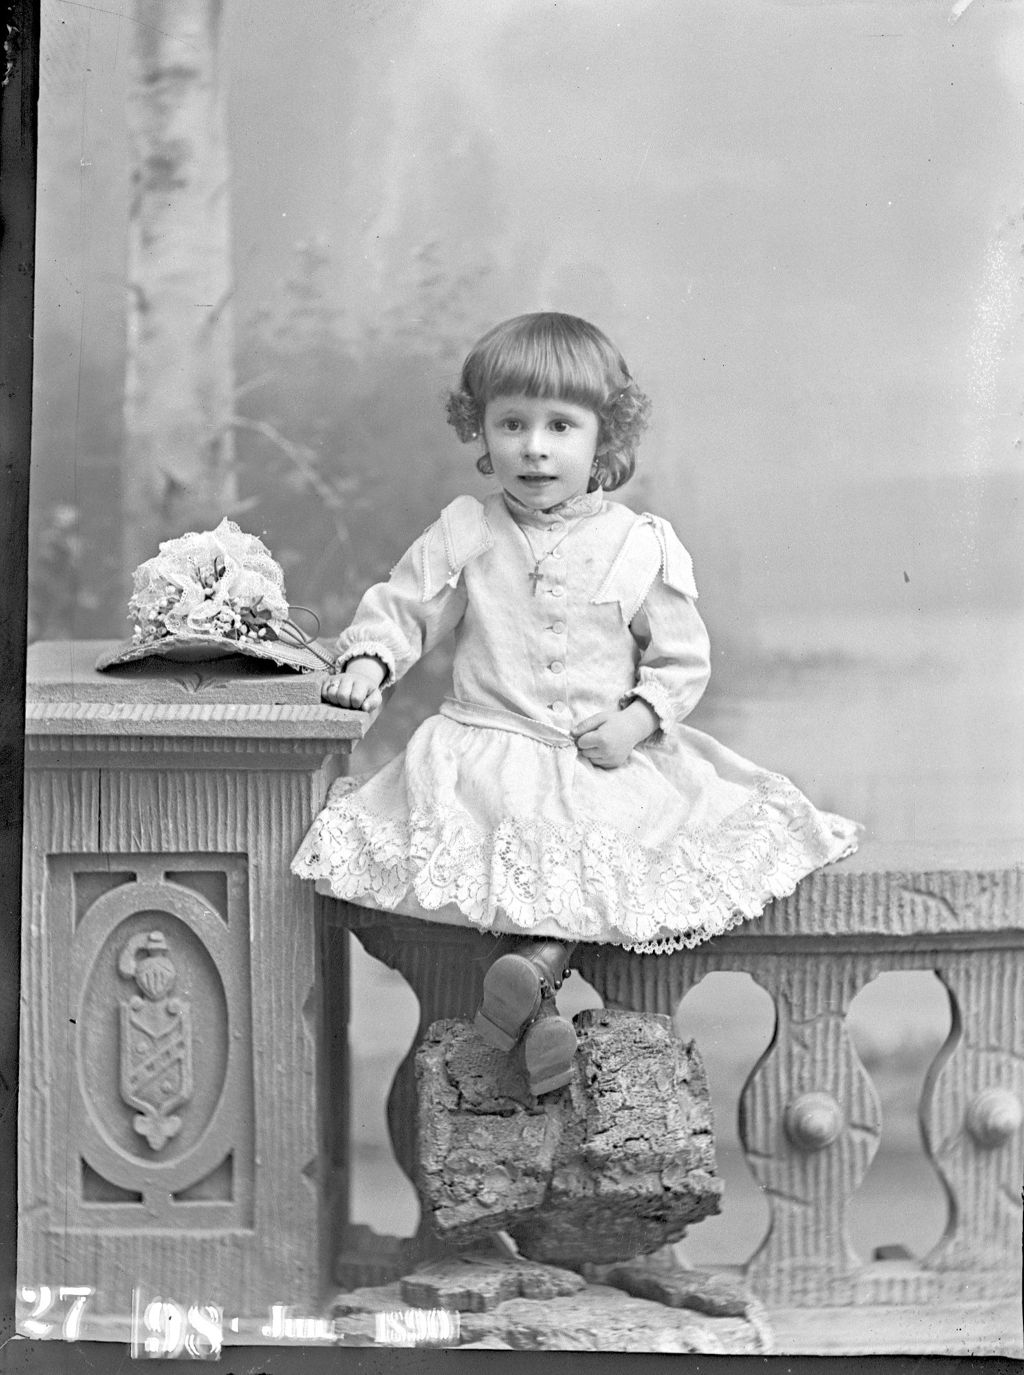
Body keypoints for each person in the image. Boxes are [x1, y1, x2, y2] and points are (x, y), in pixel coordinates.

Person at [292, 312, 859, 1096]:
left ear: (604, 437)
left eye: (561, 425)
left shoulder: (637, 542)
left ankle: (525, 996)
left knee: (599, 844)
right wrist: (365, 659)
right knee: (519, 839)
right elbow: (405, 607)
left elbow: (682, 654)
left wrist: (637, 719)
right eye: (512, 423)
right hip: (490, 745)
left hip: (599, 752)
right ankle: (533, 996)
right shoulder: (468, 530)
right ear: (481, 434)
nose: (535, 447)